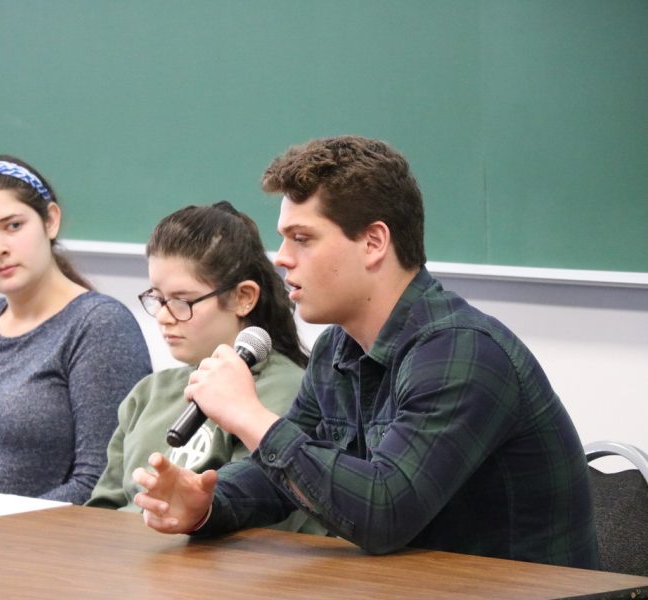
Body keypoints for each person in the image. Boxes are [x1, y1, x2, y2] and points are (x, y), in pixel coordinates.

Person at [132, 136, 599, 568]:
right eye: (282, 238)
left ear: (373, 243)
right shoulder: (339, 346)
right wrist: (207, 503)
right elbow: (285, 478)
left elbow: (384, 513)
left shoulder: (464, 353)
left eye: (302, 238)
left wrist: (250, 416)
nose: (280, 257)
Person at [0, 155, 152, 503]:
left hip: (31, 548)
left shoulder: (98, 325)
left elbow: (99, 484)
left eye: (13, 226)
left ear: (50, 221)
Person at [87, 202, 320, 532]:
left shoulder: (287, 391)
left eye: (182, 301)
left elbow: (266, 524)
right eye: (157, 297)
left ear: (243, 298)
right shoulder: (148, 393)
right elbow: (100, 510)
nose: (165, 316)